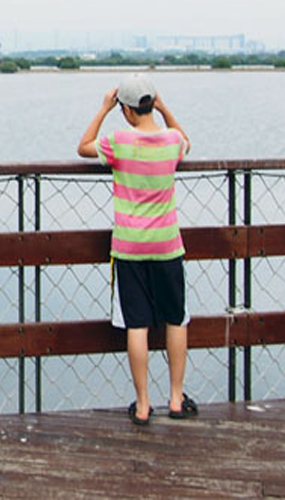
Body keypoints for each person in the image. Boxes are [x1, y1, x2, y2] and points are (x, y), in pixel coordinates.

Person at [77, 74, 199, 426]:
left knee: (137, 325)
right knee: (176, 319)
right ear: (151, 104)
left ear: (126, 110)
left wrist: (103, 109)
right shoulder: (171, 141)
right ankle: (176, 398)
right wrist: (164, 108)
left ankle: (143, 404)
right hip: (167, 245)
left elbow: (84, 146)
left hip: (130, 248)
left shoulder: (119, 142)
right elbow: (186, 140)